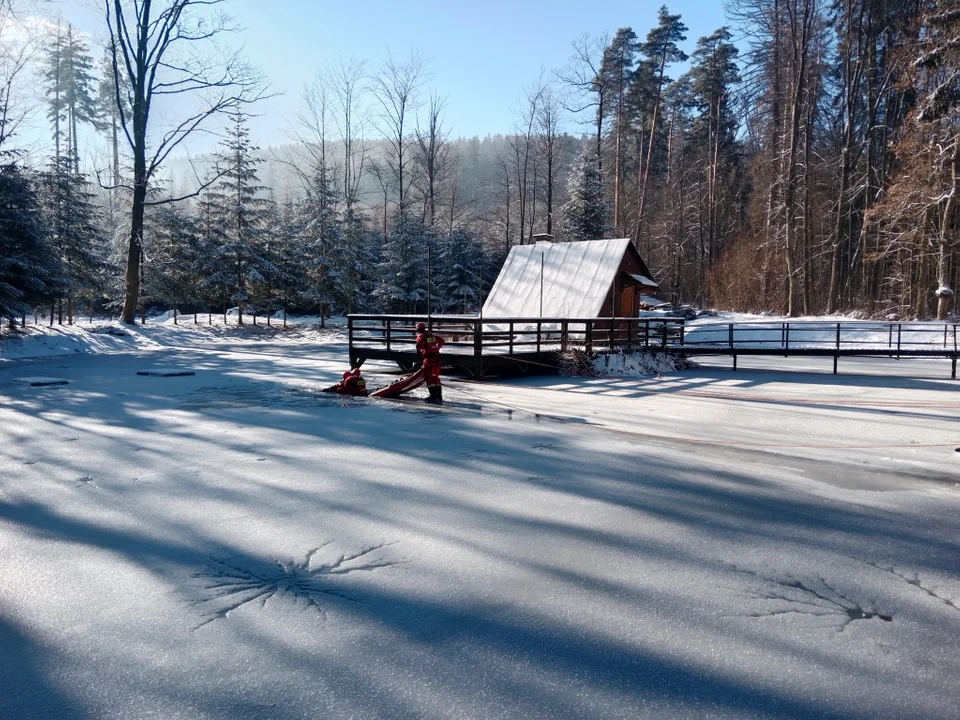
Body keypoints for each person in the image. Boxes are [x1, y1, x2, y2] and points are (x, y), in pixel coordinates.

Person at [415, 321, 445, 403]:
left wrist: (422, 349)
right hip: (437, 358)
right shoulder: (431, 336)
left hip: (429, 359)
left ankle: (433, 396)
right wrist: (437, 347)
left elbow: (419, 345)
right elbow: (442, 340)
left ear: (417, 329)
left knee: (428, 376)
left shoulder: (421, 336)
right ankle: (439, 395)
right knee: (435, 376)